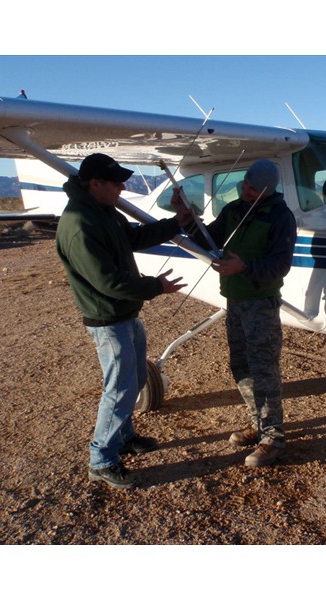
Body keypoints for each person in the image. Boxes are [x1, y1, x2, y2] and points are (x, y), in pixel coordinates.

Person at [56, 153, 189, 490]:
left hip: (126, 314)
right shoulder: (80, 223)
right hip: (108, 318)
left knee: (137, 376)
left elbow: (134, 237)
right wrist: (155, 286)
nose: (122, 187)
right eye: (116, 182)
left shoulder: (102, 211)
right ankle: (101, 459)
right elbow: (108, 282)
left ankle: (125, 436)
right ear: (94, 183)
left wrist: (178, 222)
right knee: (119, 389)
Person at [174, 159, 296, 467]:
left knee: (263, 369)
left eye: (252, 187)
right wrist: (186, 218)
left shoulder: (280, 217)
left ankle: (273, 438)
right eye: (244, 184)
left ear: (267, 189)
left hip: (260, 303)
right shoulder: (234, 210)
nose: (245, 189)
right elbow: (207, 239)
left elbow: (280, 265)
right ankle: (257, 424)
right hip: (235, 301)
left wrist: (244, 267)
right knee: (240, 365)